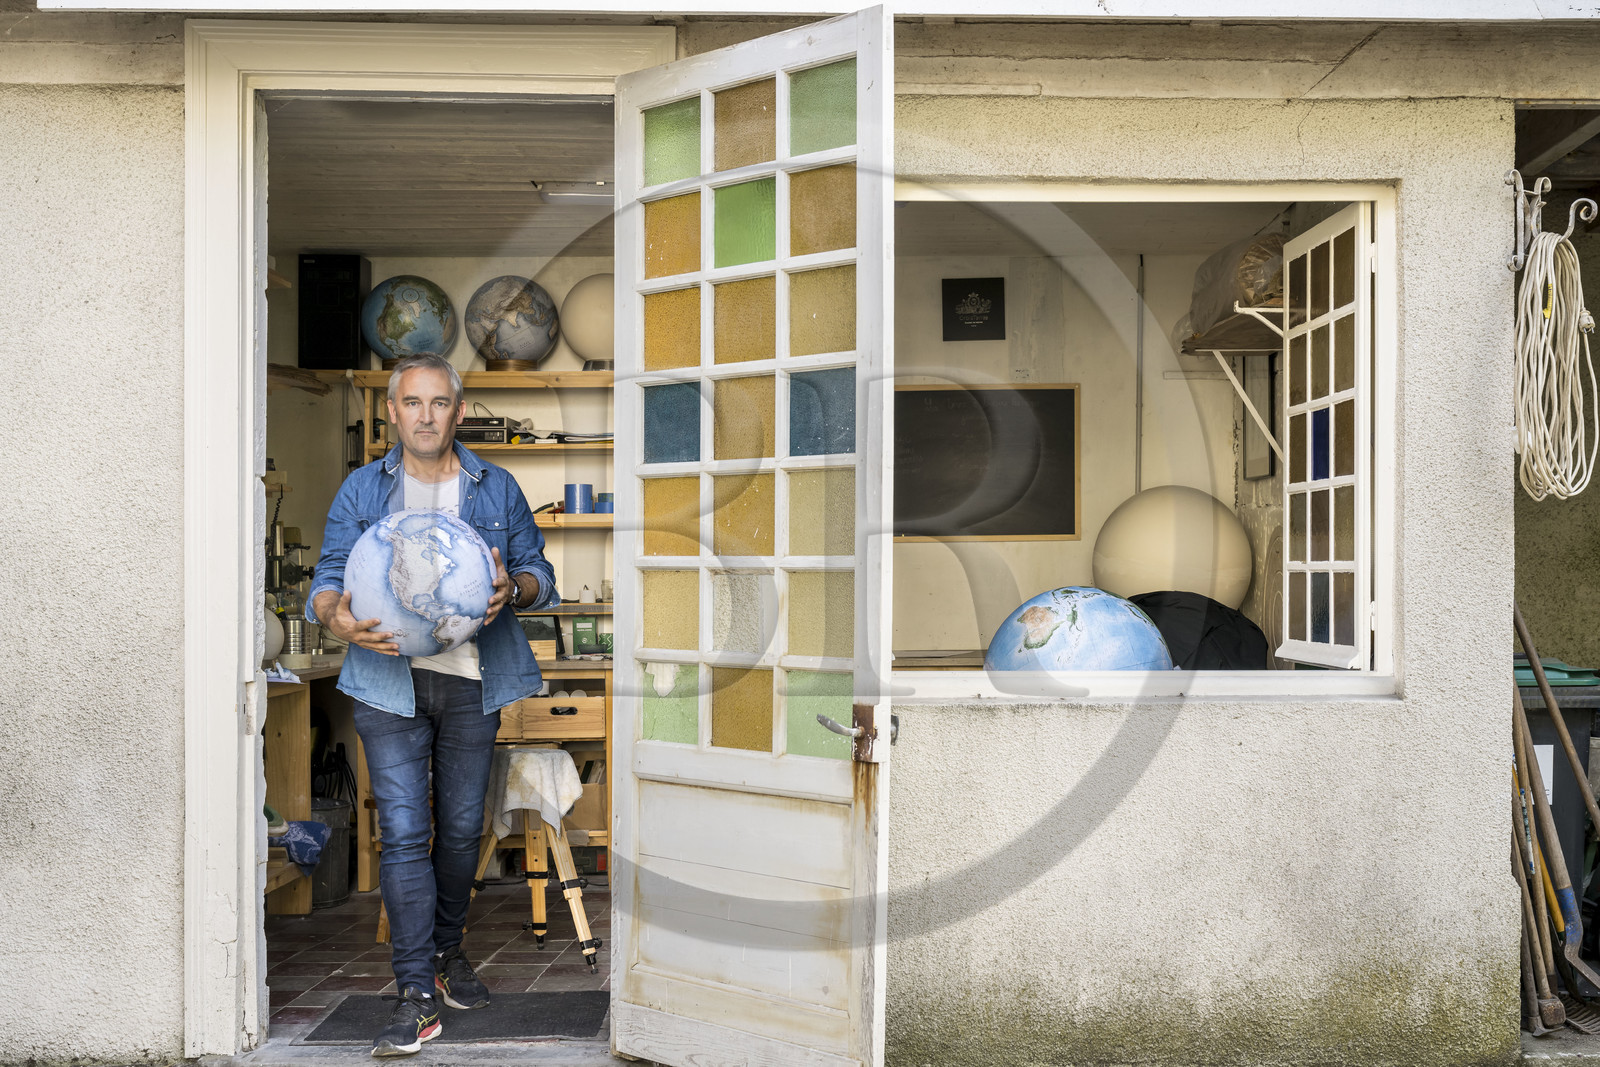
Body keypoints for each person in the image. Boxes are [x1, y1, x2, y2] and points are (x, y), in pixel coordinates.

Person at [306, 353, 557, 1057]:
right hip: (387, 684)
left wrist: (521, 591)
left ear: (459, 409)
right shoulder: (362, 489)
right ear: (392, 411)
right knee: (407, 832)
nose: (425, 415)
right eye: (411, 403)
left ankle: (448, 951)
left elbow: (540, 570)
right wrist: (336, 617)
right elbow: (328, 577)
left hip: (472, 679)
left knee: (459, 830)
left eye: (439, 402)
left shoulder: (496, 486)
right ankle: (414, 990)